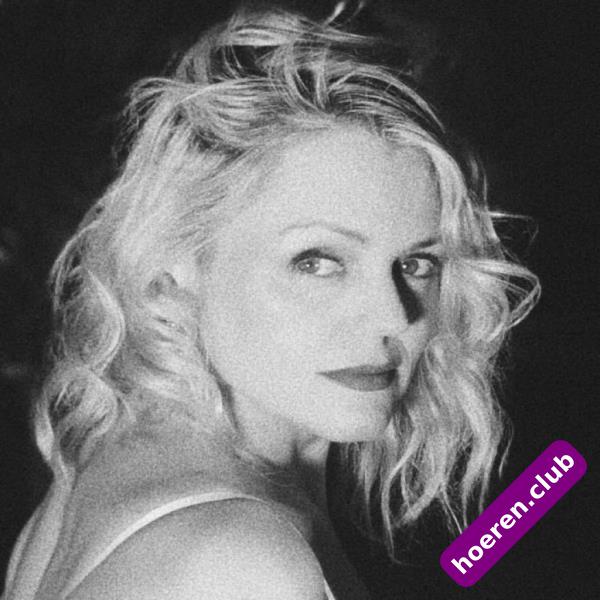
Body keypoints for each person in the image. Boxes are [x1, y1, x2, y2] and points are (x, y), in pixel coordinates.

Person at [2, 7, 540, 600]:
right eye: (316, 261)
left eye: (417, 264)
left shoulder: (99, 466)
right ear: (176, 266)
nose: (395, 316)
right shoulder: (246, 563)